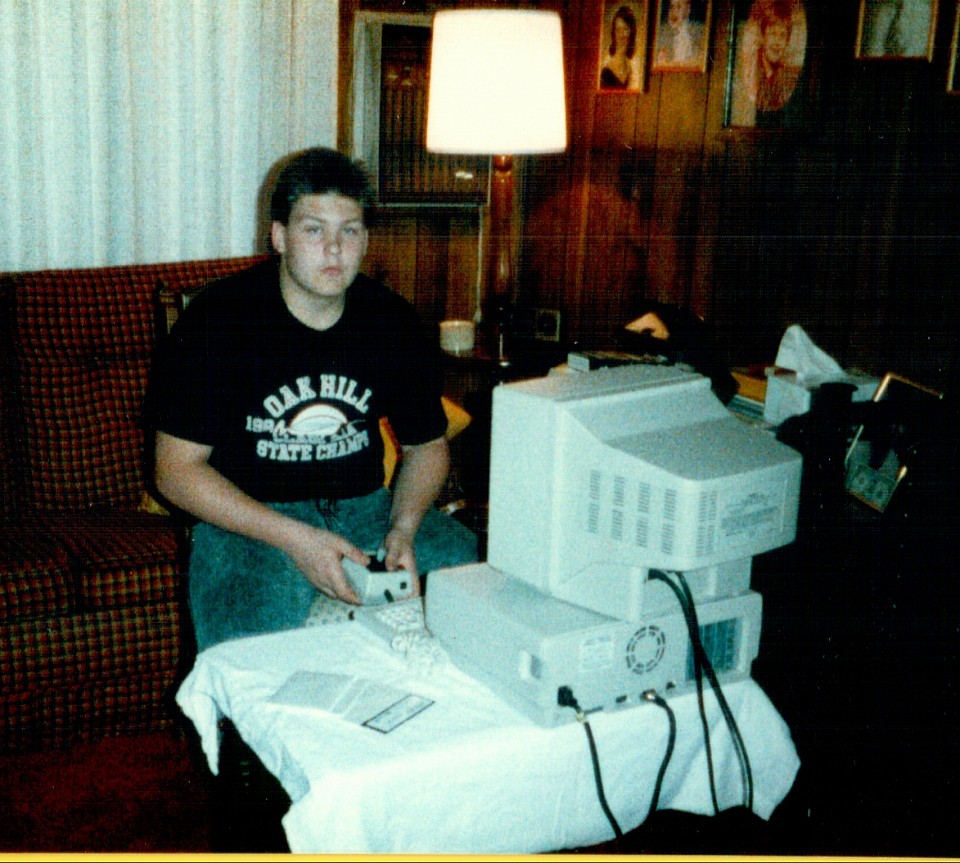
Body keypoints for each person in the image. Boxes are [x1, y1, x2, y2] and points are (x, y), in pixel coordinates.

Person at [148, 147, 479, 650]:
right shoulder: (218, 320)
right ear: (279, 236)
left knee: (472, 582)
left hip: (368, 509)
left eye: (349, 231)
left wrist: (403, 528)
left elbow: (427, 447)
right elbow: (174, 470)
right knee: (252, 647)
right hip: (253, 519)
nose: (334, 249)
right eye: (313, 230)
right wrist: (297, 539)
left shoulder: (391, 320)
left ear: (365, 239)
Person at [750, 0, 802, 114]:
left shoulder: (789, 79)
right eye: (773, 34)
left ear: (787, 41)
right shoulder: (751, 70)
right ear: (762, 37)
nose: (777, 42)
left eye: (782, 35)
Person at [600, 5, 642, 90]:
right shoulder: (606, 67)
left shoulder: (633, 67)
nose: (621, 35)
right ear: (614, 33)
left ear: (631, 33)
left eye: (625, 29)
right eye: (618, 30)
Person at [654, 0, 705, 70]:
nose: (673, 12)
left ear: (688, 10)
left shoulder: (700, 31)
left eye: (678, 7)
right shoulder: (662, 32)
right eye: (671, 7)